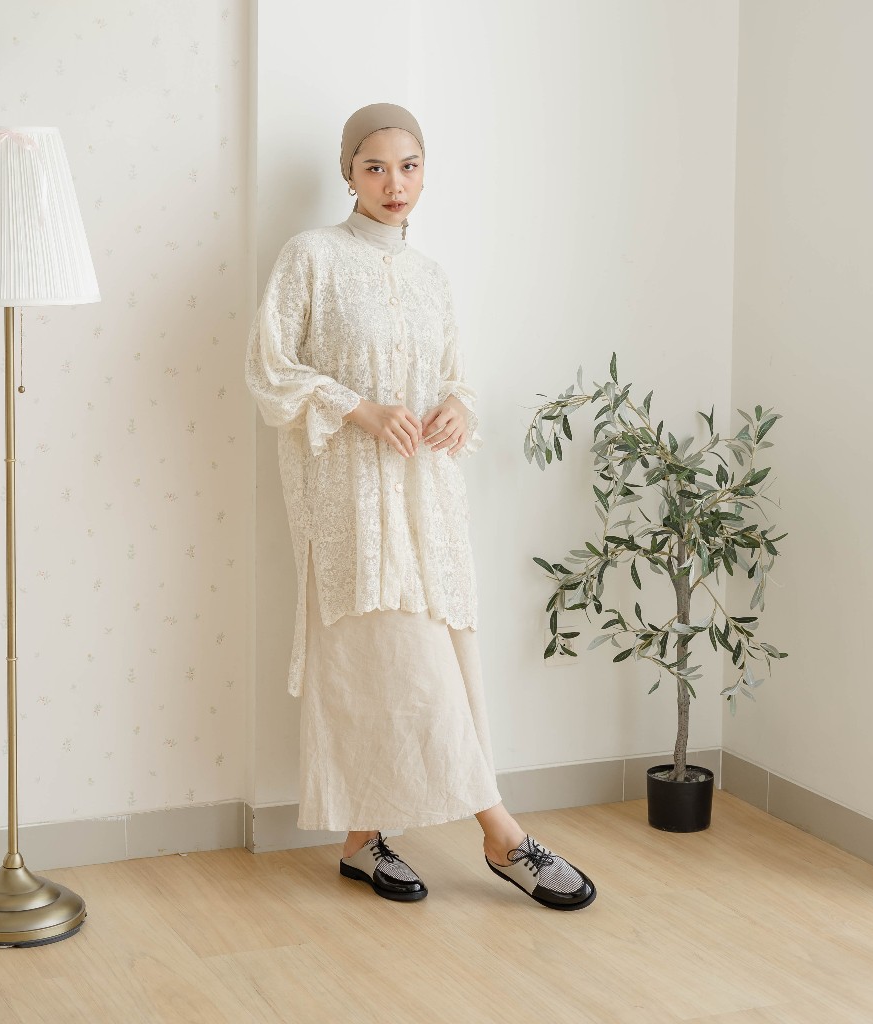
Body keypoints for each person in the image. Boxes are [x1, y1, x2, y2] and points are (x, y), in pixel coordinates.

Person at [244, 102, 596, 910]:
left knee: (416, 667)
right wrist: (362, 409)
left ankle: (361, 842)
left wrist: (459, 409)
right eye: (374, 166)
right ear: (348, 173)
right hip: (350, 503)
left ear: (426, 172)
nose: (393, 182)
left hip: (428, 502)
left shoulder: (431, 276)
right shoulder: (311, 257)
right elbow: (270, 369)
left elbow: (454, 378)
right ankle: (503, 836)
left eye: (408, 165)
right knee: (400, 665)